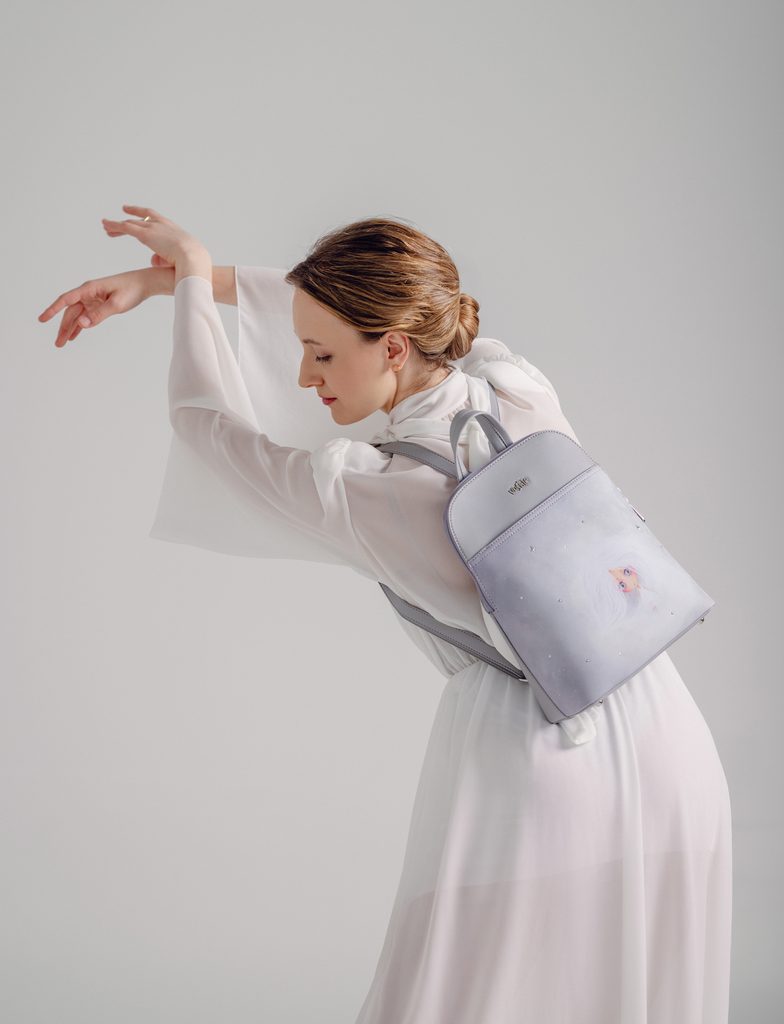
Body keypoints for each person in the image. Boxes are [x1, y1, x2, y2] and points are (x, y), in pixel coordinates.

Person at [38, 207, 733, 1023]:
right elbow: (376, 307)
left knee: (464, 998)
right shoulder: (517, 384)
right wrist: (168, 280)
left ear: (394, 347)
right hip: (670, 735)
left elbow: (202, 424)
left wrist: (189, 276)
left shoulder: (372, 490)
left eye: (322, 354)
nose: (305, 375)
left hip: (536, 754)